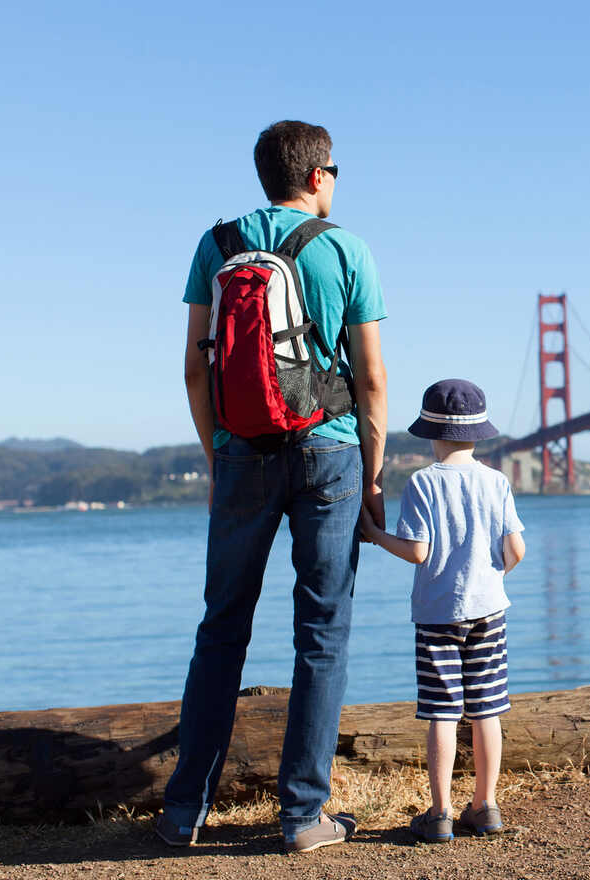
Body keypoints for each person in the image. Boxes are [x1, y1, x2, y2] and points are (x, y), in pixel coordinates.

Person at [157, 120, 389, 854]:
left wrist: (216, 456)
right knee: (321, 632)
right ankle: (301, 816)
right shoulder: (347, 247)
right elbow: (373, 379)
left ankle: (183, 812)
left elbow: (196, 369)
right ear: (319, 175)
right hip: (330, 452)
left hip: (241, 452)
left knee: (220, 629)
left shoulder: (217, 244)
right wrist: (373, 477)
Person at [359, 378, 525, 843]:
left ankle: (441, 813)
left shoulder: (422, 482)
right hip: (489, 612)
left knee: (442, 712)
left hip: (437, 615)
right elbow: (517, 549)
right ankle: (486, 807)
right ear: (479, 433)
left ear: (430, 433)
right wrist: (491, 579)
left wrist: (373, 534)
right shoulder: (497, 481)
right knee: (488, 709)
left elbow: (416, 552)